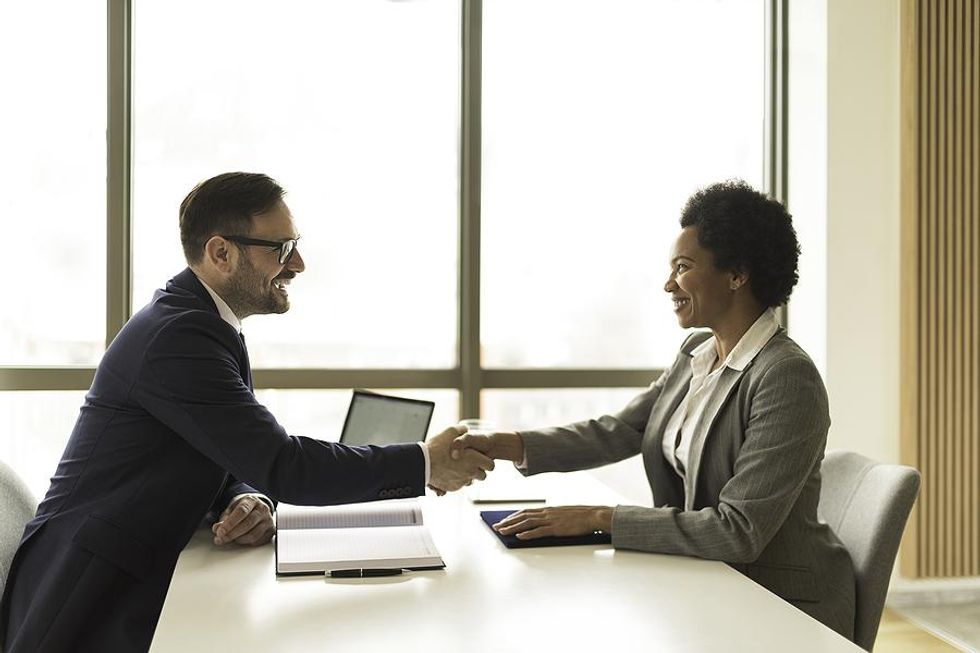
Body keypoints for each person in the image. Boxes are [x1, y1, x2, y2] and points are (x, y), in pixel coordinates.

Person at [0, 172, 493, 653]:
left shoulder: (199, 320)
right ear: (221, 253)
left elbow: (221, 447)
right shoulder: (180, 336)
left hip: (128, 569)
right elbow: (282, 463)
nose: (298, 263)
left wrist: (244, 495)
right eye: (281, 248)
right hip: (87, 597)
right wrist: (426, 462)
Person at [452, 180, 856, 640]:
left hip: (780, 606)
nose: (669, 284)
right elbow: (618, 430)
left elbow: (739, 531)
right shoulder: (696, 353)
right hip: (707, 581)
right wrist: (508, 444)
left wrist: (598, 518)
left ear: (737, 274)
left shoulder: (785, 377)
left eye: (683, 268)